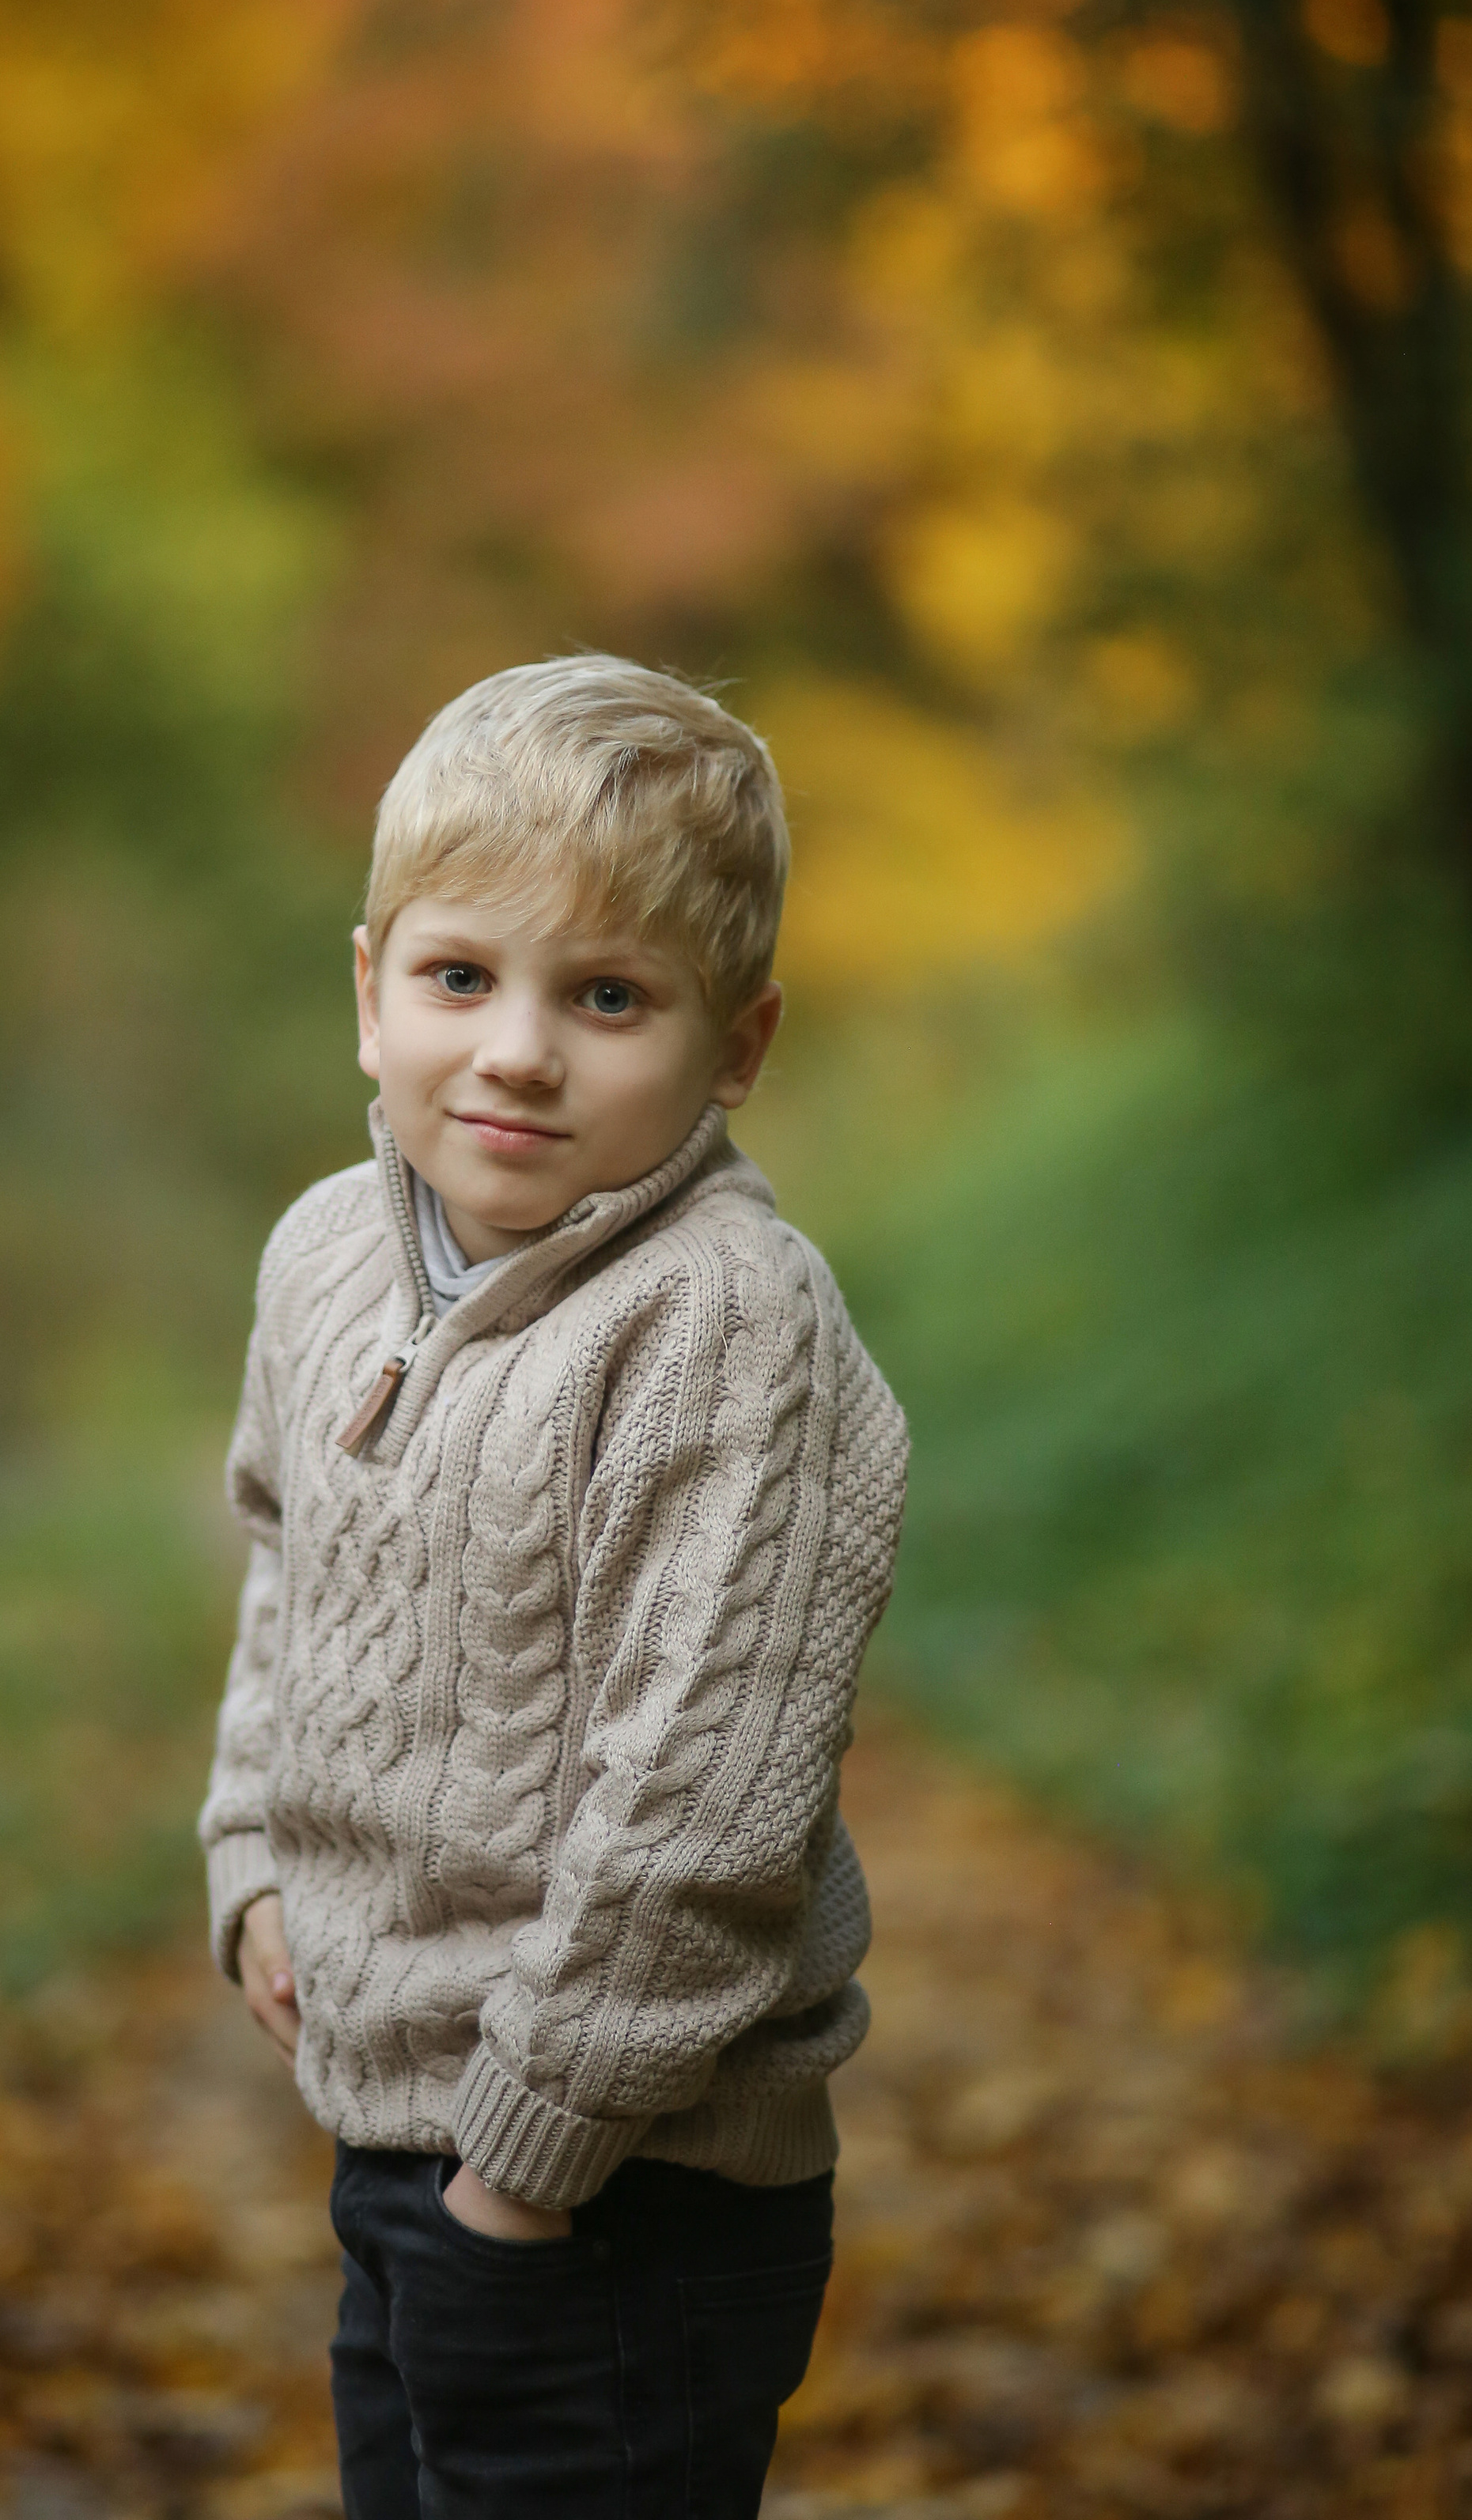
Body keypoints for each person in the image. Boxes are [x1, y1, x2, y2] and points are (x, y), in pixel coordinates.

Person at [198, 656, 910, 2520]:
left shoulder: (719, 1325)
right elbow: (286, 1557)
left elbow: (707, 1807)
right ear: (369, 993)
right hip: (393, 2135)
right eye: (461, 978)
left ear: (733, 1045)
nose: (516, 1048)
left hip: (622, 2194)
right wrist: (249, 1857)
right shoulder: (327, 1254)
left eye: (605, 997)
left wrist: (522, 2172)